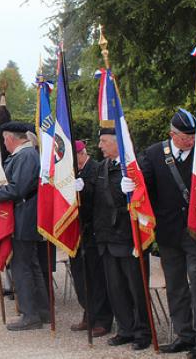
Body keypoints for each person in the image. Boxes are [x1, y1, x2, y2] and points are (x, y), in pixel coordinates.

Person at [140, 109, 196, 358]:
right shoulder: (154, 154)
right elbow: (147, 189)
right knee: (175, 285)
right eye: (186, 137)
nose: (191, 141)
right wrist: (131, 188)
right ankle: (184, 334)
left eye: (193, 136)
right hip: (169, 231)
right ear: (172, 134)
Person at [0, 122, 49, 331]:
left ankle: (31, 315)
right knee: (31, 265)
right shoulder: (26, 155)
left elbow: (18, 189)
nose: (4, 143)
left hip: (24, 216)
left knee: (22, 267)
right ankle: (42, 311)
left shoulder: (26, 155)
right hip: (25, 215)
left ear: (12, 138)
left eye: (4, 139)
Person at [92, 128, 151, 350]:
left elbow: (146, 196)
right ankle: (125, 329)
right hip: (107, 237)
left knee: (136, 288)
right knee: (115, 289)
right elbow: (95, 199)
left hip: (128, 237)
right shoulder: (102, 167)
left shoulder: (136, 165)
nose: (100, 145)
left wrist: (134, 188)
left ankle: (143, 331)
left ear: (118, 143)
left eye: (104, 141)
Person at [69, 140, 112, 336]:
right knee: (80, 275)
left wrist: (83, 187)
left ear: (80, 154)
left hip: (92, 230)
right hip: (75, 231)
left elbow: (98, 197)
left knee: (96, 277)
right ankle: (89, 312)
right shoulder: (70, 172)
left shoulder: (95, 168)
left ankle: (102, 318)